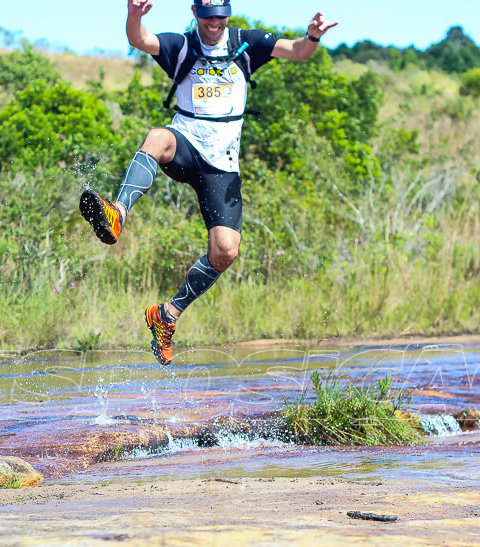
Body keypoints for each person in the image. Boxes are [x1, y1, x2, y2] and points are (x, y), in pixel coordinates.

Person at [79, 0, 337, 365]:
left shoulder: (246, 44)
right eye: (208, 15)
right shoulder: (181, 46)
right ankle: (117, 213)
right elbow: (140, 41)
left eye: (221, 16)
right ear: (196, 14)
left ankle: (166, 316)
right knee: (157, 137)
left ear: (228, 15)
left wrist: (312, 35)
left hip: (222, 168)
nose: (215, 23)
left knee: (226, 251)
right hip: (185, 145)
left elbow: (297, 51)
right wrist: (134, 16)